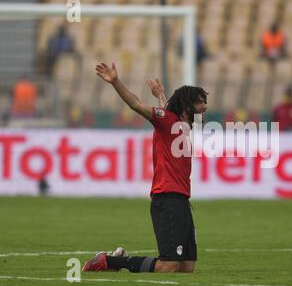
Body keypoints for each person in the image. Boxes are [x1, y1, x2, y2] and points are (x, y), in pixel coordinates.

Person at [82, 62, 208, 273]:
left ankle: (117, 259)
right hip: (167, 198)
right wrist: (115, 82)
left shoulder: (181, 125)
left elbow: (170, 111)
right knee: (168, 266)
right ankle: (109, 261)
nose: (204, 107)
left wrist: (161, 94)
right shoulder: (168, 122)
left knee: (187, 268)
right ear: (187, 107)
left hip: (182, 201)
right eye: (200, 103)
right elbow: (137, 105)